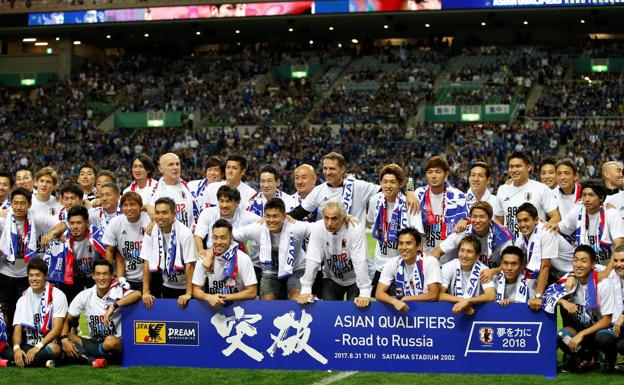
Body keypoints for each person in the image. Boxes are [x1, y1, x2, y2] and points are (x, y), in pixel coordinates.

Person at [0, 188, 66, 329]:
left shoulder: (36, 217)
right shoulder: (3, 219)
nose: (18, 207)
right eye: (15, 203)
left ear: (29, 204)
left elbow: (62, 225)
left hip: (26, 274)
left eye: (22, 203)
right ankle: (5, 342)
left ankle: (21, 342)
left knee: (24, 310)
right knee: (3, 308)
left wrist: (51, 234)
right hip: (4, 271)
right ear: (11, 204)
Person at [61, 260, 141, 368]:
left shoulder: (118, 291)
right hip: (94, 342)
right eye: (98, 274)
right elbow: (67, 320)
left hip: (116, 342)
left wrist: (114, 306)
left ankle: (89, 358)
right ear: (93, 276)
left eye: (105, 274)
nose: (101, 278)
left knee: (110, 342)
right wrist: (64, 339)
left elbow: (137, 294)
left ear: (112, 275)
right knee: (68, 335)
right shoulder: (85, 295)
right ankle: (101, 358)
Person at [232, 198, 310, 300]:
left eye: (275, 216)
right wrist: (211, 252)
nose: (271, 220)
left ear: (284, 216)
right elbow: (230, 235)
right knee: (267, 302)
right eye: (268, 216)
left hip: (296, 269)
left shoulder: (295, 227)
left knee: (296, 298)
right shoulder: (259, 227)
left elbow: (319, 229)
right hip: (270, 271)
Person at [554, 245, 617, 373]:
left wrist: (582, 334)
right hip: (582, 329)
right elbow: (546, 296)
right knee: (562, 336)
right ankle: (588, 358)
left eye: (583, 261)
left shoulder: (603, 284)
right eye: (576, 260)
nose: (578, 264)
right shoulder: (569, 279)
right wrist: (562, 302)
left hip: (602, 330)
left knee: (603, 338)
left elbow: (606, 320)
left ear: (593, 263)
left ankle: (610, 358)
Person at [297, 201, 372, 308]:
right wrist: (306, 288)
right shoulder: (318, 227)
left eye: (334, 218)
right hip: (332, 277)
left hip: (355, 279)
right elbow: (313, 258)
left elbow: (359, 260)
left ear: (343, 218)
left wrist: (364, 291)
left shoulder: (355, 228)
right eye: (326, 218)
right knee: (329, 310)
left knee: (356, 310)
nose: (329, 223)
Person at [367, 164, 423, 294]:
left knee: (399, 307)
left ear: (400, 184)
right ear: (380, 183)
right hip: (379, 266)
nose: (388, 186)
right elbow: (370, 219)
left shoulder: (410, 203)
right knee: (377, 306)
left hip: (402, 267)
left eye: (392, 182)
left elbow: (418, 237)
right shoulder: (375, 200)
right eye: (385, 182)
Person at [0, 259, 67, 368]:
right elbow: (17, 327)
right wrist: (17, 348)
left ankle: (13, 362)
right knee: (7, 350)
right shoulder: (23, 299)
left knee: (54, 349)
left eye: (37, 275)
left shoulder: (58, 295)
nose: (33, 279)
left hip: (47, 344)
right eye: (31, 275)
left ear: (45, 276)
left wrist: (38, 347)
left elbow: (57, 329)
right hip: (28, 345)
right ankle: (42, 362)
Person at [290, 152, 385, 224]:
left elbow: (386, 191)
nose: (327, 172)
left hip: (354, 247)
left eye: (332, 168)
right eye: (325, 168)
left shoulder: (358, 186)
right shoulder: (319, 190)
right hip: (329, 247)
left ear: (342, 169)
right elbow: (298, 213)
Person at [514, 202, 573, 311]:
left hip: (572, 273)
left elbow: (545, 265)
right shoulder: (520, 240)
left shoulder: (547, 232)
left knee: (544, 299)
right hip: (555, 275)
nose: (522, 224)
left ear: (536, 220)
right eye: (519, 221)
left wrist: (538, 296)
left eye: (526, 220)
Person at [140, 197, 197, 309]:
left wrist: (188, 293)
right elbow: (146, 262)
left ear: (173, 214)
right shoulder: (151, 232)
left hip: (186, 286)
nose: (160, 216)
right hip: (166, 284)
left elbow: (189, 265)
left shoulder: (185, 233)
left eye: (164, 213)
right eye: (157, 212)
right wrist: (145, 292)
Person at [558, 180, 624, 271]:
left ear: (601, 198)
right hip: (586, 266)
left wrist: (606, 273)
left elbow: (619, 245)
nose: (587, 199)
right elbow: (561, 227)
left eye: (591, 195)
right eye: (584, 195)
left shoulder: (611, 213)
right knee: (547, 232)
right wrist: (545, 224)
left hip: (610, 267)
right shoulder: (578, 210)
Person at [431, 201, 512, 272]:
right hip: (467, 274)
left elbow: (510, 264)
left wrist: (493, 272)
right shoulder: (463, 231)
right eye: (474, 216)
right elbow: (437, 252)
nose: (477, 220)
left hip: (495, 275)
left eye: (482, 217)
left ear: (490, 218)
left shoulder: (503, 236)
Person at [192, 219, 257, 308]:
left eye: (223, 238)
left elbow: (252, 292)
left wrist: (223, 297)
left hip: (240, 307)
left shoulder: (244, 259)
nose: (218, 242)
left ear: (231, 239)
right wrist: (208, 297)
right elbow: (196, 290)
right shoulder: (204, 258)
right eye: (215, 237)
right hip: (213, 306)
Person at [495, 151, 560, 239]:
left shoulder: (541, 188)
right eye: (511, 167)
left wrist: (546, 227)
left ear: (528, 167)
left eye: (518, 166)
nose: (514, 170)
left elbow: (555, 216)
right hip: (510, 246)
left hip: (535, 244)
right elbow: (499, 221)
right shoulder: (502, 190)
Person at [375, 228, 441, 312]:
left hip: (428, 311)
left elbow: (433, 295)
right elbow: (379, 293)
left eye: (408, 243)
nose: (404, 247)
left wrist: (406, 299)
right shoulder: (393, 263)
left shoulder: (430, 261)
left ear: (418, 246)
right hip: (404, 310)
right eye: (401, 243)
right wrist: (394, 301)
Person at [51, 205, 107, 305]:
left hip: (94, 276)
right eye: (72, 223)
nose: (75, 226)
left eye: (79, 223)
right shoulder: (63, 240)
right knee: (69, 307)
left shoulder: (98, 237)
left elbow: (109, 255)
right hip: (73, 277)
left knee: (99, 306)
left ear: (87, 223)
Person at [415, 156, 468, 259]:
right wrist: (409, 190)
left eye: (438, 172)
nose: (433, 176)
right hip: (423, 259)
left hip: (449, 261)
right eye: (430, 172)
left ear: (446, 174)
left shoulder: (458, 197)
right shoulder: (418, 194)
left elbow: (462, 231)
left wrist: (439, 251)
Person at [103, 192, 151, 291]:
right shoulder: (115, 222)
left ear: (140, 206)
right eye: (125, 205)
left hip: (150, 275)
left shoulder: (148, 219)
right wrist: (109, 275)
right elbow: (109, 250)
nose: (129, 208)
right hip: (125, 276)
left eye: (132, 204)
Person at [194, 185, 260, 255]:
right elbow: (198, 236)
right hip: (212, 254)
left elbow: (262, 223)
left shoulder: (246, 215)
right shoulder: (207, 213)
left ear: (237, 202)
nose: (224, 205)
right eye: (221, 201)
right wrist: (201, 251)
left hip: (238, 257)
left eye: (228, 201)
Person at [439, 235, 496, 315]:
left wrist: (468, 301)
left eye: (469, 252)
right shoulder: (449, 266)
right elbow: (439, 295)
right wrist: (462, 301)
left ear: (477, 256)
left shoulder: (483, 269)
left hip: (476, 312)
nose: (464, 255)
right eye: (462, 250)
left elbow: (491, 295)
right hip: (453, 311)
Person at [146, 153, 198, 229]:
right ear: (161, 169)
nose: (175, 167)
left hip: (187, 236)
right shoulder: (152, 191)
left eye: (177, 164)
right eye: (171, 165)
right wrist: (147, 207)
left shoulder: (190, 188)